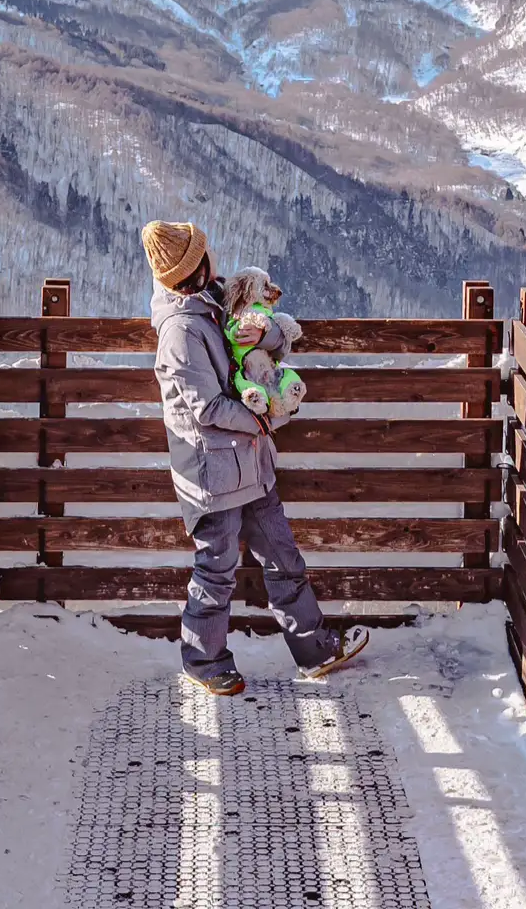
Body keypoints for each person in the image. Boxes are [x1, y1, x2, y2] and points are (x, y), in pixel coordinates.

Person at [142, 218, 368, 696]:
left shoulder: (219, 302)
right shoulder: (182, 331)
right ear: (194, 266)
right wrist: (264, 421)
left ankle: (315, 650)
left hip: (252, 466)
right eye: (205, 253)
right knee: (217, 569)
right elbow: (206, 408)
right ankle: (203, 661)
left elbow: (270, 333)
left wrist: (264, 340)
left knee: (283, 557)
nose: (214, 258)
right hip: (212, 474)